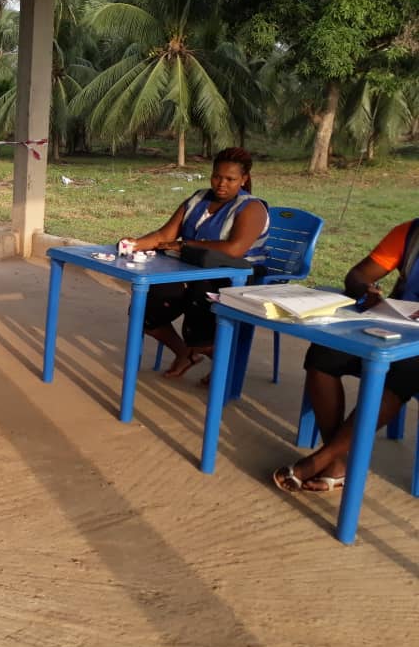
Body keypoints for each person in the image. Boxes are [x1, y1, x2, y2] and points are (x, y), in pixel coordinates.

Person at [273, 219, 419, 493]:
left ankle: (323, 458)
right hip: (401, 326)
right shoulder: (410, 234)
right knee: (324, 355)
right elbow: (358, 274)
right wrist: (366, 290)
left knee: (401, 371)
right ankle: (338, 461)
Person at [121, 147, 269, 379]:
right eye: (217, 176)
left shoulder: (252, 208)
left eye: (230, 179)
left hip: (233, 276)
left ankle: (222, 366)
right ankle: (186, 353)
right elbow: (164, 236)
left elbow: (234, 249)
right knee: (146, 311)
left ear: (244, 179)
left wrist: (185, 246)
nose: (222, 183)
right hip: (190, 270)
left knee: (200, 314)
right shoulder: (198, 199)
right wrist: (135, 244)